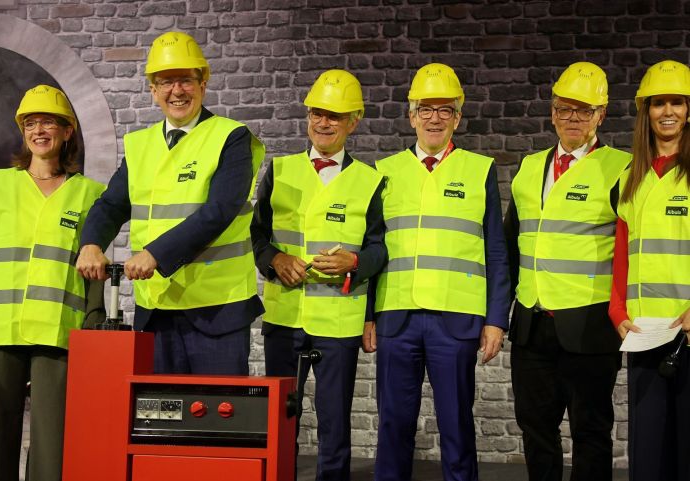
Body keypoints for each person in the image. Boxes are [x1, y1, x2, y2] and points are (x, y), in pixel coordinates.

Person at [75, 31, 265, 375]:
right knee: (160, 423)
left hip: (217, 309)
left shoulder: (232, 137)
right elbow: (111, 204)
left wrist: (155, 254)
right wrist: (91, 243)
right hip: (157, 311)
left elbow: (218, 211)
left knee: (214, 424)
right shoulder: (140, 145)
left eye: (185, 80)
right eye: (165, 82)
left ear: (203, 83)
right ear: (152, 90)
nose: (176, 91)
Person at [0, 85, 105, 481]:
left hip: (60, 330)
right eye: (31, 123)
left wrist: (93, 318)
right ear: (23, 132)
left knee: (56, 439)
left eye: (49, 123)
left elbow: (92, 266)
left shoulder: (89, 194)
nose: (40, 131)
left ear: (67, 132)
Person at [368, 63, 510, 481]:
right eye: (425, 109)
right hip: (397, 317)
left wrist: (496, 320)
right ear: (410, 116)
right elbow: (374, 249)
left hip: (457, 320)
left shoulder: (479, 169)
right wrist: (368, 315)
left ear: (457, 117)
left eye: (444, 110)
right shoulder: (384, 171)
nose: (434, 118)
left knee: (456, 427)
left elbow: (496, 251)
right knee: (393, 424)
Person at [250, 69, 385, 481]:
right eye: (317, 113)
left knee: (334, 420)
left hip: (337, 322)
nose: (324, 123)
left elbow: (381, 248)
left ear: (354, 122)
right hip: (285, 317)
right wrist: (274, 260)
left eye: (335, 116)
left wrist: (355, 262)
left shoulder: (370, 181)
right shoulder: (280, 169)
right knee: (280, 419)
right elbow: (257, 236)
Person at [504, 61, 630, 481]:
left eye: (583, 110)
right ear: (552, 111)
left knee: (591, 432)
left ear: (601, 115)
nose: (572, 118)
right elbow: (509, 244)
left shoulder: (621, 168)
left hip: (589, 326)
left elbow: (636, 251)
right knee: (535, 430)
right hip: (531, 325)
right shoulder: (528, 167)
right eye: (564, 109)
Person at [610, 59, 690, 481]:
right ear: (647, 111)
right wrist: (617, 312)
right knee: (648, 454)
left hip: (689, 331)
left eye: (677, 102)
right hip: (645, 334)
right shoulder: (632, 177)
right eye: (659, 103)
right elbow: (622, 254)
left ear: (689, 110)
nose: (668, 111)